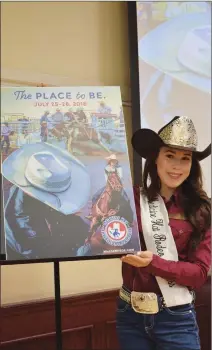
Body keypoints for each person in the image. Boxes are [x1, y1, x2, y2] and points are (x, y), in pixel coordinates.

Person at [116, 116, 211, 350]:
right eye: (170, 156)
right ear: (155, 158)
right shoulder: (130, 200)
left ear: (192, 165)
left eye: (185, 159)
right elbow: (108, 237)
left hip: (176, 318)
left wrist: (153, 263)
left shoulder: (202, 210)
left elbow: (198, 274)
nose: (177, 166)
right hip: (130, 314)